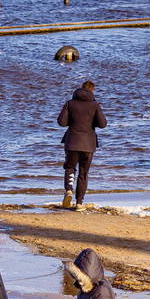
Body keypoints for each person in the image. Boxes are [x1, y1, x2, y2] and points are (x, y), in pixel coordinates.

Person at [57, 80, 107, 211]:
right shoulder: (95, 105)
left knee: (70, 168)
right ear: (92, 90)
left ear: (80, 89)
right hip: (89, 144)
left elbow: (61, 122)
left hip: (72, 141)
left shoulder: (70, 103)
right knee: (83, 173)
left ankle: (68, 190)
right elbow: (103, 124)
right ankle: (79, 203)